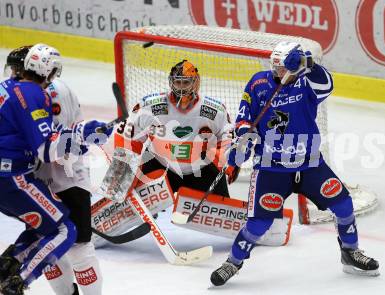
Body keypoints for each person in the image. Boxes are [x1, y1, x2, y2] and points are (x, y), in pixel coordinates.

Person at [210, 41, 380, 286]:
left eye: (283, 68)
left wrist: (308, 64)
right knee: (259, 223)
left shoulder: (307, 81)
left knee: (343, 205)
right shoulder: (258, 83)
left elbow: (327, 84)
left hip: (309, 162)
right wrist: (244, 138)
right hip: (271, 166)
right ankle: (232, 263)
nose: (277, 72)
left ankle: (350, 252)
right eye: (275, 67)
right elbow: (244, 116)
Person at [0, 44, 112, 295]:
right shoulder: (29, 92)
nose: (12, 73)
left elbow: (59, 139)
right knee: (62, 239)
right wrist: (87, 137)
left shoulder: (27, 91)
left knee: (63, 241)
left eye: (15, 68)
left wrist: (81, 139)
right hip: (42, 176)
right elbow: (53, 144)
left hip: (51, 177)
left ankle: (12, 266)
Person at [99, 59, 233, 205]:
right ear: (171, 82)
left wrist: (227, 162)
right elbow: (129, 138)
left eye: (186, 82)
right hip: (161, 166)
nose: (181, 87)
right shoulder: (149, 106)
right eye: (178, 82)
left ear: (196, 82)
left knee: (222, 210)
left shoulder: (215, 110)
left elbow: (227, 139)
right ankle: (118, 201)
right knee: (121, 194)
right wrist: (121, 175)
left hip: (202, 169)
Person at [36, 78, 103, 295]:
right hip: (34, 183)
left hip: (69, 179)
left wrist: (83, 137)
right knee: (45, 247)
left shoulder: (59, 91)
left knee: (79, 249)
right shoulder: (16, 93)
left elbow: (72, 129)